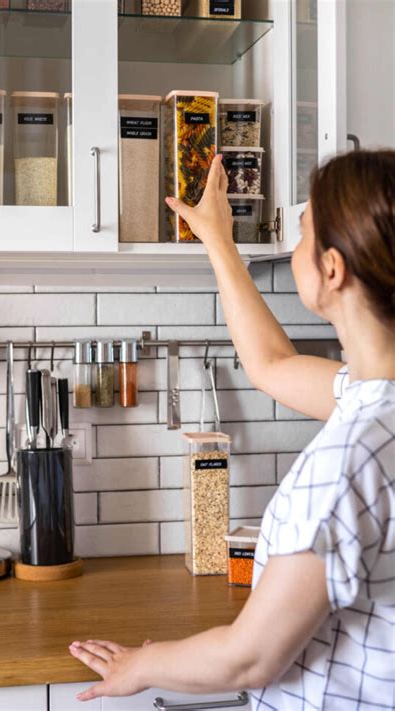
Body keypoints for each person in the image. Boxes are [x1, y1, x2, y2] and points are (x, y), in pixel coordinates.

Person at [69, 150, 395, 710]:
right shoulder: (374, 407)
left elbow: (250, 656)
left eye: (301, 236)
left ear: (333, 269)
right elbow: (271, 366)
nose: (296, 251)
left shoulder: (346, 459)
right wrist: (218, 239)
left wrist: (140, 664)